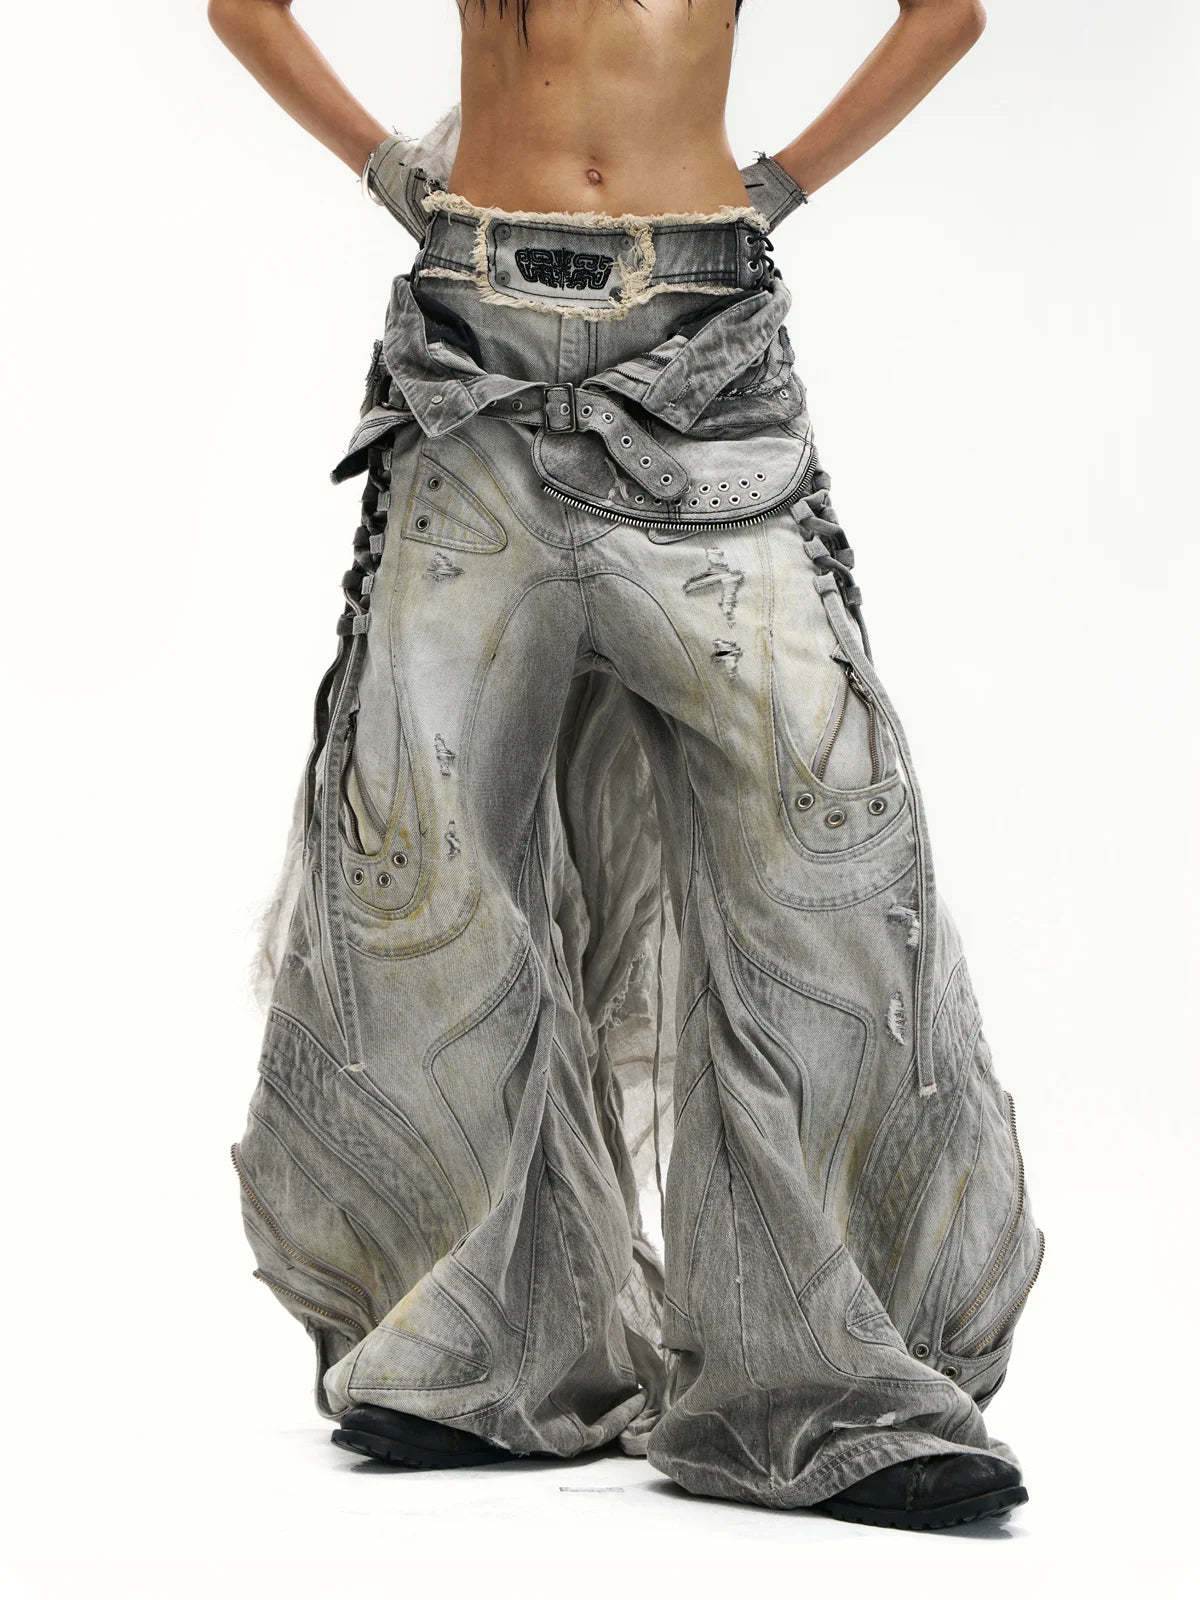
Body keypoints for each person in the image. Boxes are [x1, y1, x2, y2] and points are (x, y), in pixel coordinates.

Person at [212, 0, 1044, 1531]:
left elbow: (949, 15)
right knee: (422, 851)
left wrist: (780, 185)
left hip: (703, 356)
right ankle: (473, 1350)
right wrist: (389, 171)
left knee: (821, 837)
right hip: (471, 350)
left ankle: (836, 1380)